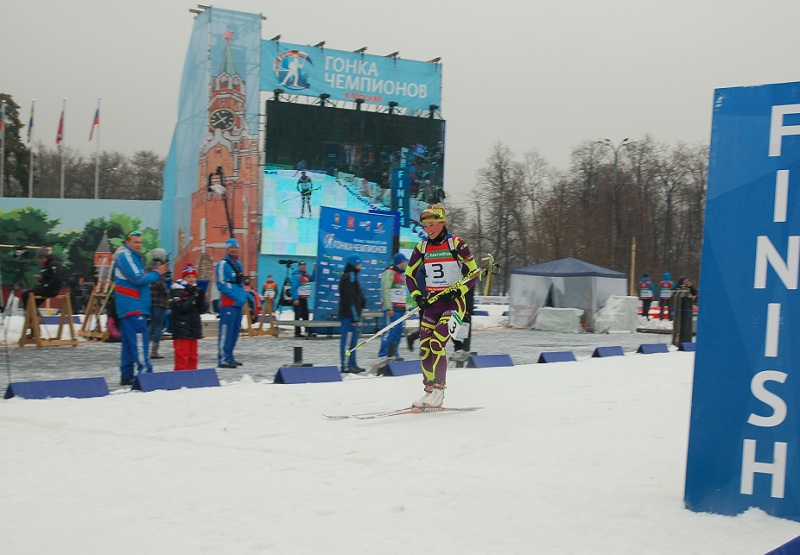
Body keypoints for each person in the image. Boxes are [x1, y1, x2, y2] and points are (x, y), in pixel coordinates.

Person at [405, 203, 479, 408]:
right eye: (426, 225)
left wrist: (459, 290)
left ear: (442, 222)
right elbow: (410, 275)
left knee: (437, 343)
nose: (429, 230)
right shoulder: (422, 247)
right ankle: (428, 391)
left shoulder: (457, 244)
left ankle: (439, 389)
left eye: (433, 225)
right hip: (432, 304)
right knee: (425, 347)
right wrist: (418, 296)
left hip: (454, 303)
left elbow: (474, 272)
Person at [113, 231, 169, 386]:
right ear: (127, 242)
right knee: (139, 341)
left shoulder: (132, 258)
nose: (138, 245)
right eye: (135, 242)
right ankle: (145, 374)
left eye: (140, 242)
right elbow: (138, 279)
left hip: (132, 307)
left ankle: (127, 375)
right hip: (133, 306)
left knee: (129, 344)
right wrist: (157, 273)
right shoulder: (126, 256)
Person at [370, 253, 408, 374]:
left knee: (397, 333)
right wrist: (388, 307)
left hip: (400, 309)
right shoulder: (389, 272)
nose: (406, 264)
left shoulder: (401, 275)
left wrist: (404, 306)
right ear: (399, 262)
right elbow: (385, 290)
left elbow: (401, 292)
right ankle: (383, 356)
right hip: (392, 309)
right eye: (404, 262)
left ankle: (393, 354)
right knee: (389, 333)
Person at [216, 237, 246, 369]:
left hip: (238, 304)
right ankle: (223, 358)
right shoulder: (223, 264)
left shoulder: (238, 264)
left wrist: (243, 297)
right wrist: (235, 297)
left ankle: (230, 356)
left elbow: (241, 283)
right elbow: (221, 284)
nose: (234, 249)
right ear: (227, 249)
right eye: (231, 247)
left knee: (234, 333)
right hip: (229, 303)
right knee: (226, 332)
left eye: (235, 247)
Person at [170, 265, 207, 371]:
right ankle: (180, 381)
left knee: (193, 357)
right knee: (182, 357)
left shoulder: (196, 290)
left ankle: (192, 380)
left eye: (193, 277)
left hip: (193, 329)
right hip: (181, 330)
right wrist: (192, 300)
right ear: (184, 278)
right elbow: (180, 308)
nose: (191, 279)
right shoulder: (177, 290)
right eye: (188, 277)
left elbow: (203, 309)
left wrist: (201, 299)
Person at [338, 254, 366, 373]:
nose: (361, 265)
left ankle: (352, 363)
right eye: (359, 263)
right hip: (349, 316)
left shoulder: (351, 276)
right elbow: (349, 299)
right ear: (354, 264)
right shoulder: (350, 277)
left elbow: (355, 296)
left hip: (351, 315)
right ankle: (345, 365)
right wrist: (354, 317)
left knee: (353, 341)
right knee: (348, 341)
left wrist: (362, 301)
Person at [146, 247, 170, 359]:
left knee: (151, 324)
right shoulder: (160, 267)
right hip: (159, 301)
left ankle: (143, 346)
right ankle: (154, 350)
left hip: (150, 300)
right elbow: (160, 283)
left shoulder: (148, 266)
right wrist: (167, 293)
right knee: (158, 325)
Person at [291, 260, 315, 337]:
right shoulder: (296, 276)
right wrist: (295, 299)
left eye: (304, 266)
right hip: (298, 298)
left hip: (304, 298)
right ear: (299, 266)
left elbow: (312, 279)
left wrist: (315, 270)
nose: (303, 267)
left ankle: (307, 331)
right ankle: (297, 332)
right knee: (297, 316)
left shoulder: (306, 275)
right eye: (301, 266)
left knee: (306, 315)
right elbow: (293, 288)